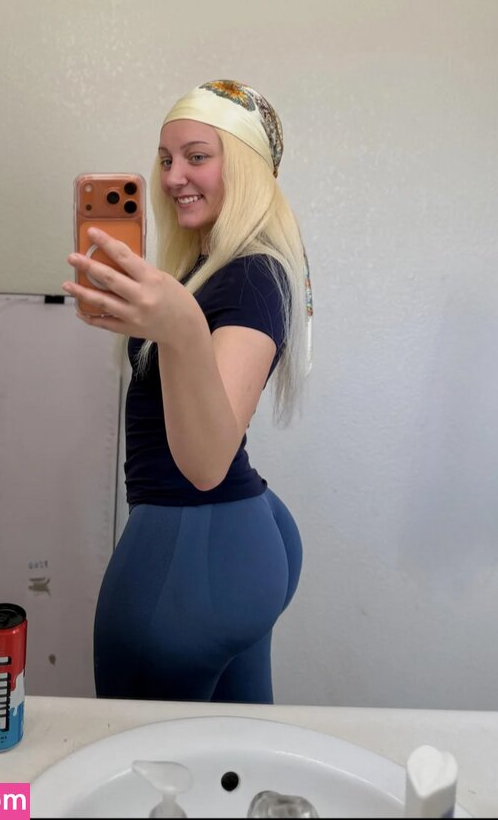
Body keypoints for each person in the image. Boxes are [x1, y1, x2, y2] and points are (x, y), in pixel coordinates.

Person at [62, 79, 313, 703]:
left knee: (140, 753)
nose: (174, 177)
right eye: (166, 159)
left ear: (246, 168)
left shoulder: (253, 274)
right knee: (236, 751)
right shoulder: (210, 268)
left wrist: (179, 327)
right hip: (233, 542)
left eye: (197, 156)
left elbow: (204, 465)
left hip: (193, 547)